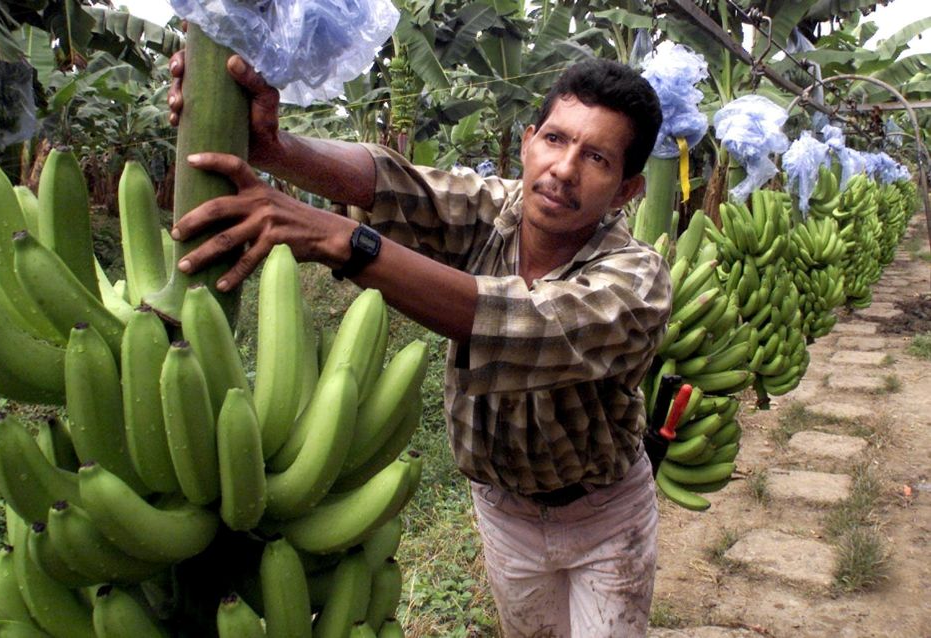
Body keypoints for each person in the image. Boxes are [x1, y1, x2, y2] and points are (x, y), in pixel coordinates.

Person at [167, 51, 669, 637]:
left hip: (604, 517)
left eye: (597, 158)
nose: (563, 168)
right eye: (555, 139)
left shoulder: (636, 281)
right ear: (529, 141)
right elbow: (396, 183)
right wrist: (273, 148)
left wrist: (342, 240)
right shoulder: (496, 210)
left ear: (625, 190)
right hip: (503, 511)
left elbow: (521, 325)